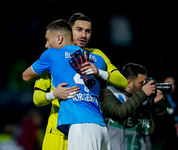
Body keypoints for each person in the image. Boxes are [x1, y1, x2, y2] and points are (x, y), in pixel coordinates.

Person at [32, 13, 128, 150]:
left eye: (87, 31)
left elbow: (122, 82)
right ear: (68, 30)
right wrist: (53, 94)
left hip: (85, 126)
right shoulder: (54, 56)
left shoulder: (96, 56)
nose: (83, 35)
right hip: (57, 134)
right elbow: (37, 98)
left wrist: (100, 72)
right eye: (79, 30)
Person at [101, 63, 167, 150]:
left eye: (145, 82)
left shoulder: (146, 98)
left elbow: (162, 127)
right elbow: (119, 112)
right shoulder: (109, 93)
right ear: (128, 83)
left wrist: (158, 104)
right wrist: (143, 94)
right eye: (141, 83)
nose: (144, 86)